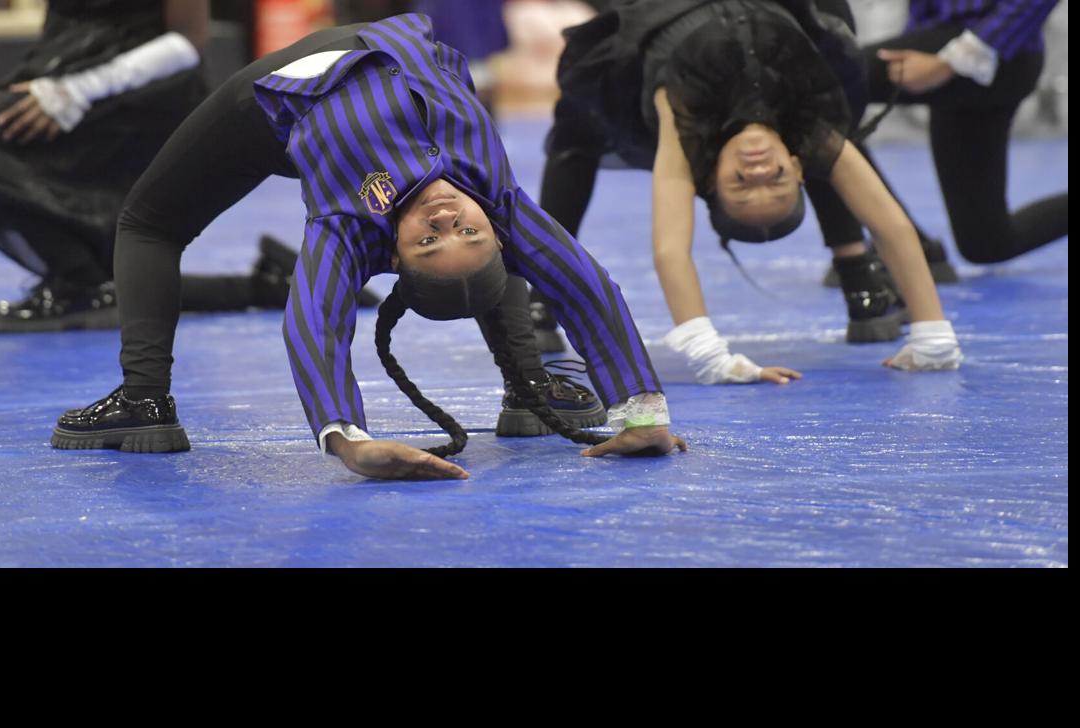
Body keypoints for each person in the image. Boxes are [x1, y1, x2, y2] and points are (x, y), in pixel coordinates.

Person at [49, 13, 686, 479]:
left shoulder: (346, 225)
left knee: (149, 222)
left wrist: (347, 439)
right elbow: (587, 289)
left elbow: (315, 324)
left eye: (428, 241)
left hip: (286, 93)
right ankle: (527, 384)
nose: (445, 217)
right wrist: (640, 412)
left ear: (391, 255)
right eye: (463, 228)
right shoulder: (501, 205)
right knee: (481, 266)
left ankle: (143, 399)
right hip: (384, 43)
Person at [536, 0, 963, 383]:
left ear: (709, 181)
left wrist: (710, 356)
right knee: (840, 94)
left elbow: (670, 250)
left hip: (663, 10)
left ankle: (538, 297)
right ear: (795, 168)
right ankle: (857, 274)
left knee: (575, 135)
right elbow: (892, 226)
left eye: (740, 183)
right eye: (775, 178)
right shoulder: (810, 133)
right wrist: (933, 335)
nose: (757, 169)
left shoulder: (686, 130)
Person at [0, 0, 323, 332]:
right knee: (113, 264)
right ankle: (261, 287)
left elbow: (187, 41)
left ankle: (78, 284)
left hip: (144, 92)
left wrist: (78, 91)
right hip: (58, 68)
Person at [855, 0, 1067, 267]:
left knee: (823, 88)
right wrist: (917, 41)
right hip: (962, 45)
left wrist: (949, 62)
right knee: (986, 244)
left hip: (995, 47)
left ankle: (888, 253)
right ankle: (909, 249)